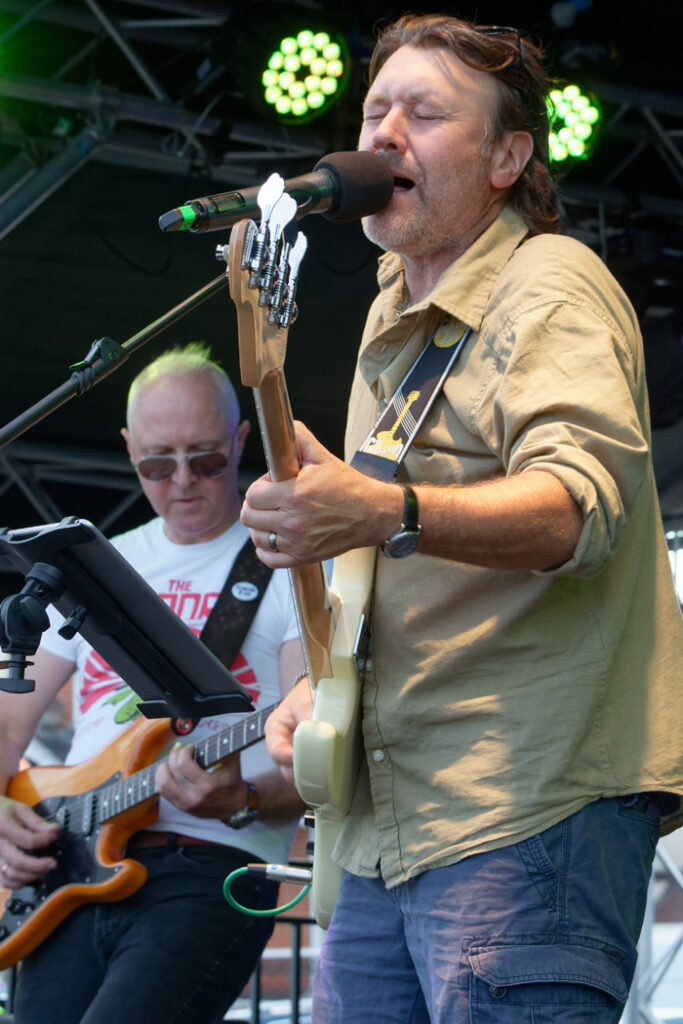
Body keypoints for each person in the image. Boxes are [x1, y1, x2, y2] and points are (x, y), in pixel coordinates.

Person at [240, 14, 683, 1024]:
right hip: (387, 826)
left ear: (506, 158)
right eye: (374, 110)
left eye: (425, 113)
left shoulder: (549, 284)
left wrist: (380, 505)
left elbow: (577, 507)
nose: (384, 133)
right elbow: (391, 573)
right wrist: (321, 685)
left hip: (520, 807)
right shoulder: (389, 315)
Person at [0, 343, 306, 1024]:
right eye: (157, 465)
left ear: (241, 440)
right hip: (69, 865)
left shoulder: (292, 565)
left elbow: (312, 749)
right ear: (128, 449)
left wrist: (245, 798)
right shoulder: (95, 566)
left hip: (214, 862)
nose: (183, 482)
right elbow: (7, 721)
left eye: (206, 459)